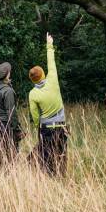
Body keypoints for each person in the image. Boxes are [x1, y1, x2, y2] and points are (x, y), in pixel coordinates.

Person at [28, 33, 68, 176]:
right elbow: (51, 62)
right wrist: (49, 45)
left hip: (45, 128)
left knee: (46, 156)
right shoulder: (52, 80)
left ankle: (48, 178)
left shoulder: (33, 94)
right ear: (43, 74)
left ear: (32, 80)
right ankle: (61, 177)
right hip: (61, 126)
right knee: (61, 155)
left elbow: (34, 114)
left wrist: (37, 125)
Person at [0, 62, 24, 178]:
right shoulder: (7, 91)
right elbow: (11, 113)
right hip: (4, 125)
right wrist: (17, 129)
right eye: (9, 72)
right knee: (11, 154)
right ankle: (10, 180)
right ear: (6, 74)